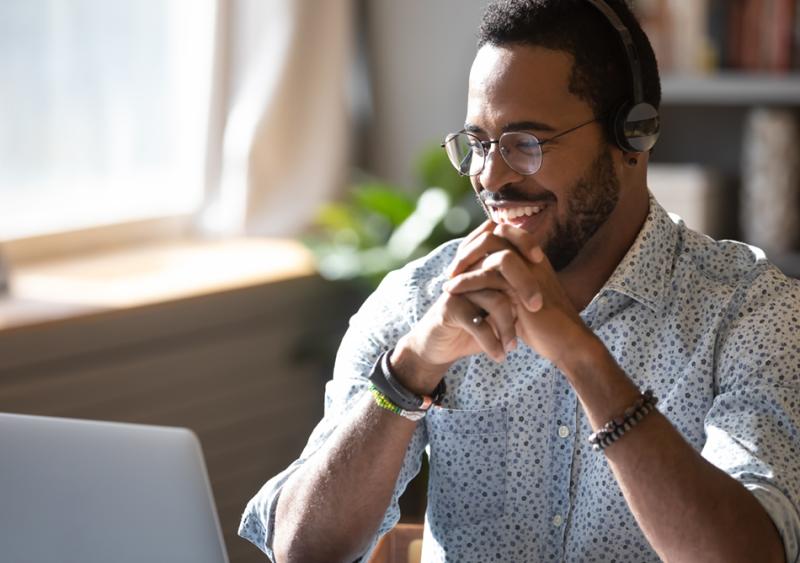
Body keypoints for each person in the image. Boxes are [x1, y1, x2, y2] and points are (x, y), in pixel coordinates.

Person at [239, 1, 800, 561]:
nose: (490, 176)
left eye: (526, 143)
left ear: (635, 135)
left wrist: (583, 359)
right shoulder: (418, 302)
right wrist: (409, 373)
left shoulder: (752, 314)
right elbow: (301, 552)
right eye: (479, 143)